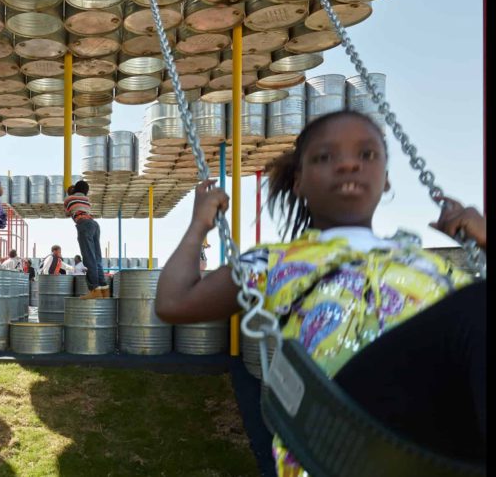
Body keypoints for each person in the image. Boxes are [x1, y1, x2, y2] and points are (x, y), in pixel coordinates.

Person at [155, 110, 487, 474]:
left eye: (367, 155)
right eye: (325, 157)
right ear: (299, 181)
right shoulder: (274, 261)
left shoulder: (424, 263)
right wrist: (199, 226)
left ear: (387, 180)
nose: (348, 165)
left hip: (435, 435)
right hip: (335, 425)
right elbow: (174, 302)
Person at [65, 180, 109, 299]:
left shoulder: (69, 200)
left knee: (89, 258)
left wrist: (70, 191)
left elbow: (67, 212)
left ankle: (94, 289)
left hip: (83, 225)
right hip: (94, 224)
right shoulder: (87, 201)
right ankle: (104, 289)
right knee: (97, 258)